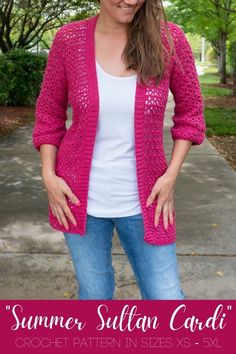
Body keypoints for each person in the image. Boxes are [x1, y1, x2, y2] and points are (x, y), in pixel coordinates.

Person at [32, 0, 206, 300]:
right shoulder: (69, 41)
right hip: (78, 200)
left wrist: (171, 175)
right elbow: (49, 114)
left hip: (148, 200)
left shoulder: (168, 39)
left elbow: (191, 115)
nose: (131, 1)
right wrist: (48, 174)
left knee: (166, 298)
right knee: (95, 295)